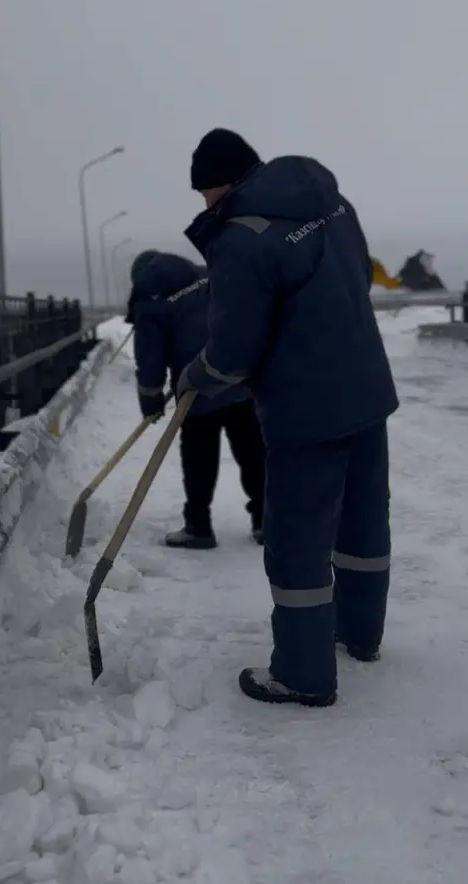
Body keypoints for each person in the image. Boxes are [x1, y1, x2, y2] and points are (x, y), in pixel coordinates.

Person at [177, 128, 399, 707]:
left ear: (222, 183)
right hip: (367, 388)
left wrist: (197, 376)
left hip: (307, 408)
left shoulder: (241, 238)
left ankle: (301, 673)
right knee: (363, 521)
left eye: (204, 192)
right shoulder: (332, 201)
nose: (204, 204)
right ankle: (360, 634)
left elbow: (232, 351)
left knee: (299, 539)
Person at [127, 249, 266, 549]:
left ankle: (198, 527)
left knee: (198, 459)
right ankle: (268, 520)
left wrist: (150, 398)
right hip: (238, 377)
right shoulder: (207, 275)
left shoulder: (149, 301)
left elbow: (150, 358)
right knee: (254, 452)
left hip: (196, 389)